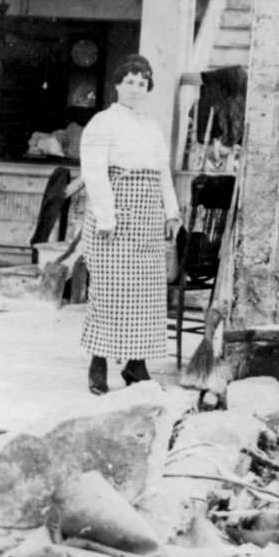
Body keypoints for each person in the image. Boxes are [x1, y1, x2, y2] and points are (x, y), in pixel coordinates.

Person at [79, 54, 180, 394]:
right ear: (118, 85)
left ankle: (137, 365)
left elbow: (163, 172)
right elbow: (94, 172)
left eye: (142, 83)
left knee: (145, 296)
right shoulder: (102, 123)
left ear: (148, 89)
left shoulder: (151, 127)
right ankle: (99, 363)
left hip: (147, 218)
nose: (136, 88)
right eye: (130, 82)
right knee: (109, 292)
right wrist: (107, 216)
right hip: (115, 216)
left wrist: (171, 212)